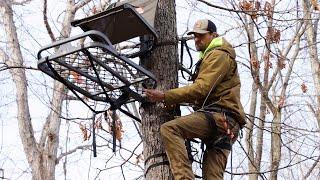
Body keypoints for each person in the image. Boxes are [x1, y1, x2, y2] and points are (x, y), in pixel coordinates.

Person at [144, 19, 246, 180]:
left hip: (220, 118)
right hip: (227, 125)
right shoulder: (211, 57)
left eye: (201, 36)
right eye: (195, 36)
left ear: (213, 35)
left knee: (170, 129)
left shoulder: (218, 55)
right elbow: (205, 92)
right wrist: (175, 100)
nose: (197, 39)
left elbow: (201, 88)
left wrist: (166, 96)